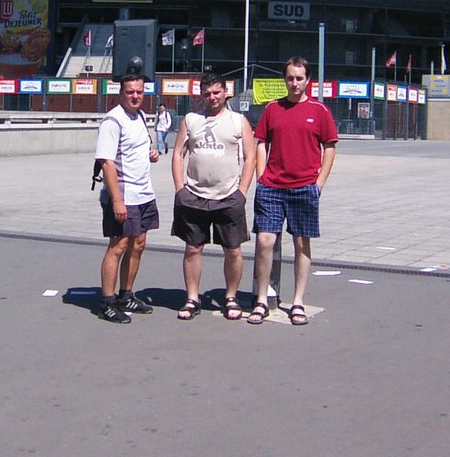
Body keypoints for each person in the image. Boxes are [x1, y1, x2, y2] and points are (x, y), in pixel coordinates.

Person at [247, 56, 338, 327]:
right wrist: (261, 176)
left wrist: (318, 183)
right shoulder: (273, 108)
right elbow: (261, 142)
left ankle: (297, 301)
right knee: (264, 241)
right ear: (284, 79)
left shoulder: (319, 110)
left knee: (301, 243)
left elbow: (330, 147)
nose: (294, 83)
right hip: (272, 187)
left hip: (304, 188)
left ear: (307, 80)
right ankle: (261, 299)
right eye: (290, 78)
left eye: (299, 78)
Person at [170, 72, 256, 320]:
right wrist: (179, 188)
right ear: (201, 95)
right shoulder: (191, 120)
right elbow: (178, 154)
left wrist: (242, 191)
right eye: (207, 93)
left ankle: (231, 297)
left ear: (225, 92)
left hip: (228, 196)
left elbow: (251, 157)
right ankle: (192, 298)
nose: (212, 97)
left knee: (233, 250)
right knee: (193, 248)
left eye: (216, 92)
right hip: (194, 196)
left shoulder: (238, 121)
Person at [96, 73, 161, 323]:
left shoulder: (141, 116)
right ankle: (107, 301)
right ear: (121, 93)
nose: (135, 96)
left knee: (138, 244)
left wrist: (150, 154)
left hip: (144, 192)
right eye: (130, 92)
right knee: (118, 246)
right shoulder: (113, 120)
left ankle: (126, 295)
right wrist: (117, 200)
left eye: (139, 92)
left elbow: (136, 150)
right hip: (124, 194)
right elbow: (107, 162)